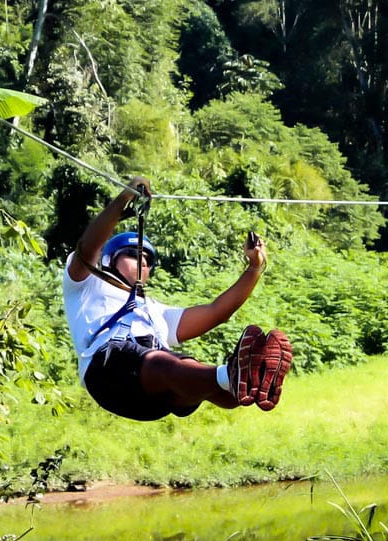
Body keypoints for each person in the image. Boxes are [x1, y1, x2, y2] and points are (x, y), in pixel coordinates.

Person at [62, 176, 292, 422]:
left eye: (148, 260)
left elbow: (217, 312)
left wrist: (255, 268)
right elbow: (87, 249)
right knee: (165, 363)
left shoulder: (156, 312)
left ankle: (251, 383)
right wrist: (124, 198)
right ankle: (234, 375)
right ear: (108, 260)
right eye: (132, 254)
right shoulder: (86, 285)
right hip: (108, 373)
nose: (142, 261)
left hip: (153, 395)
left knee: (192, 374)